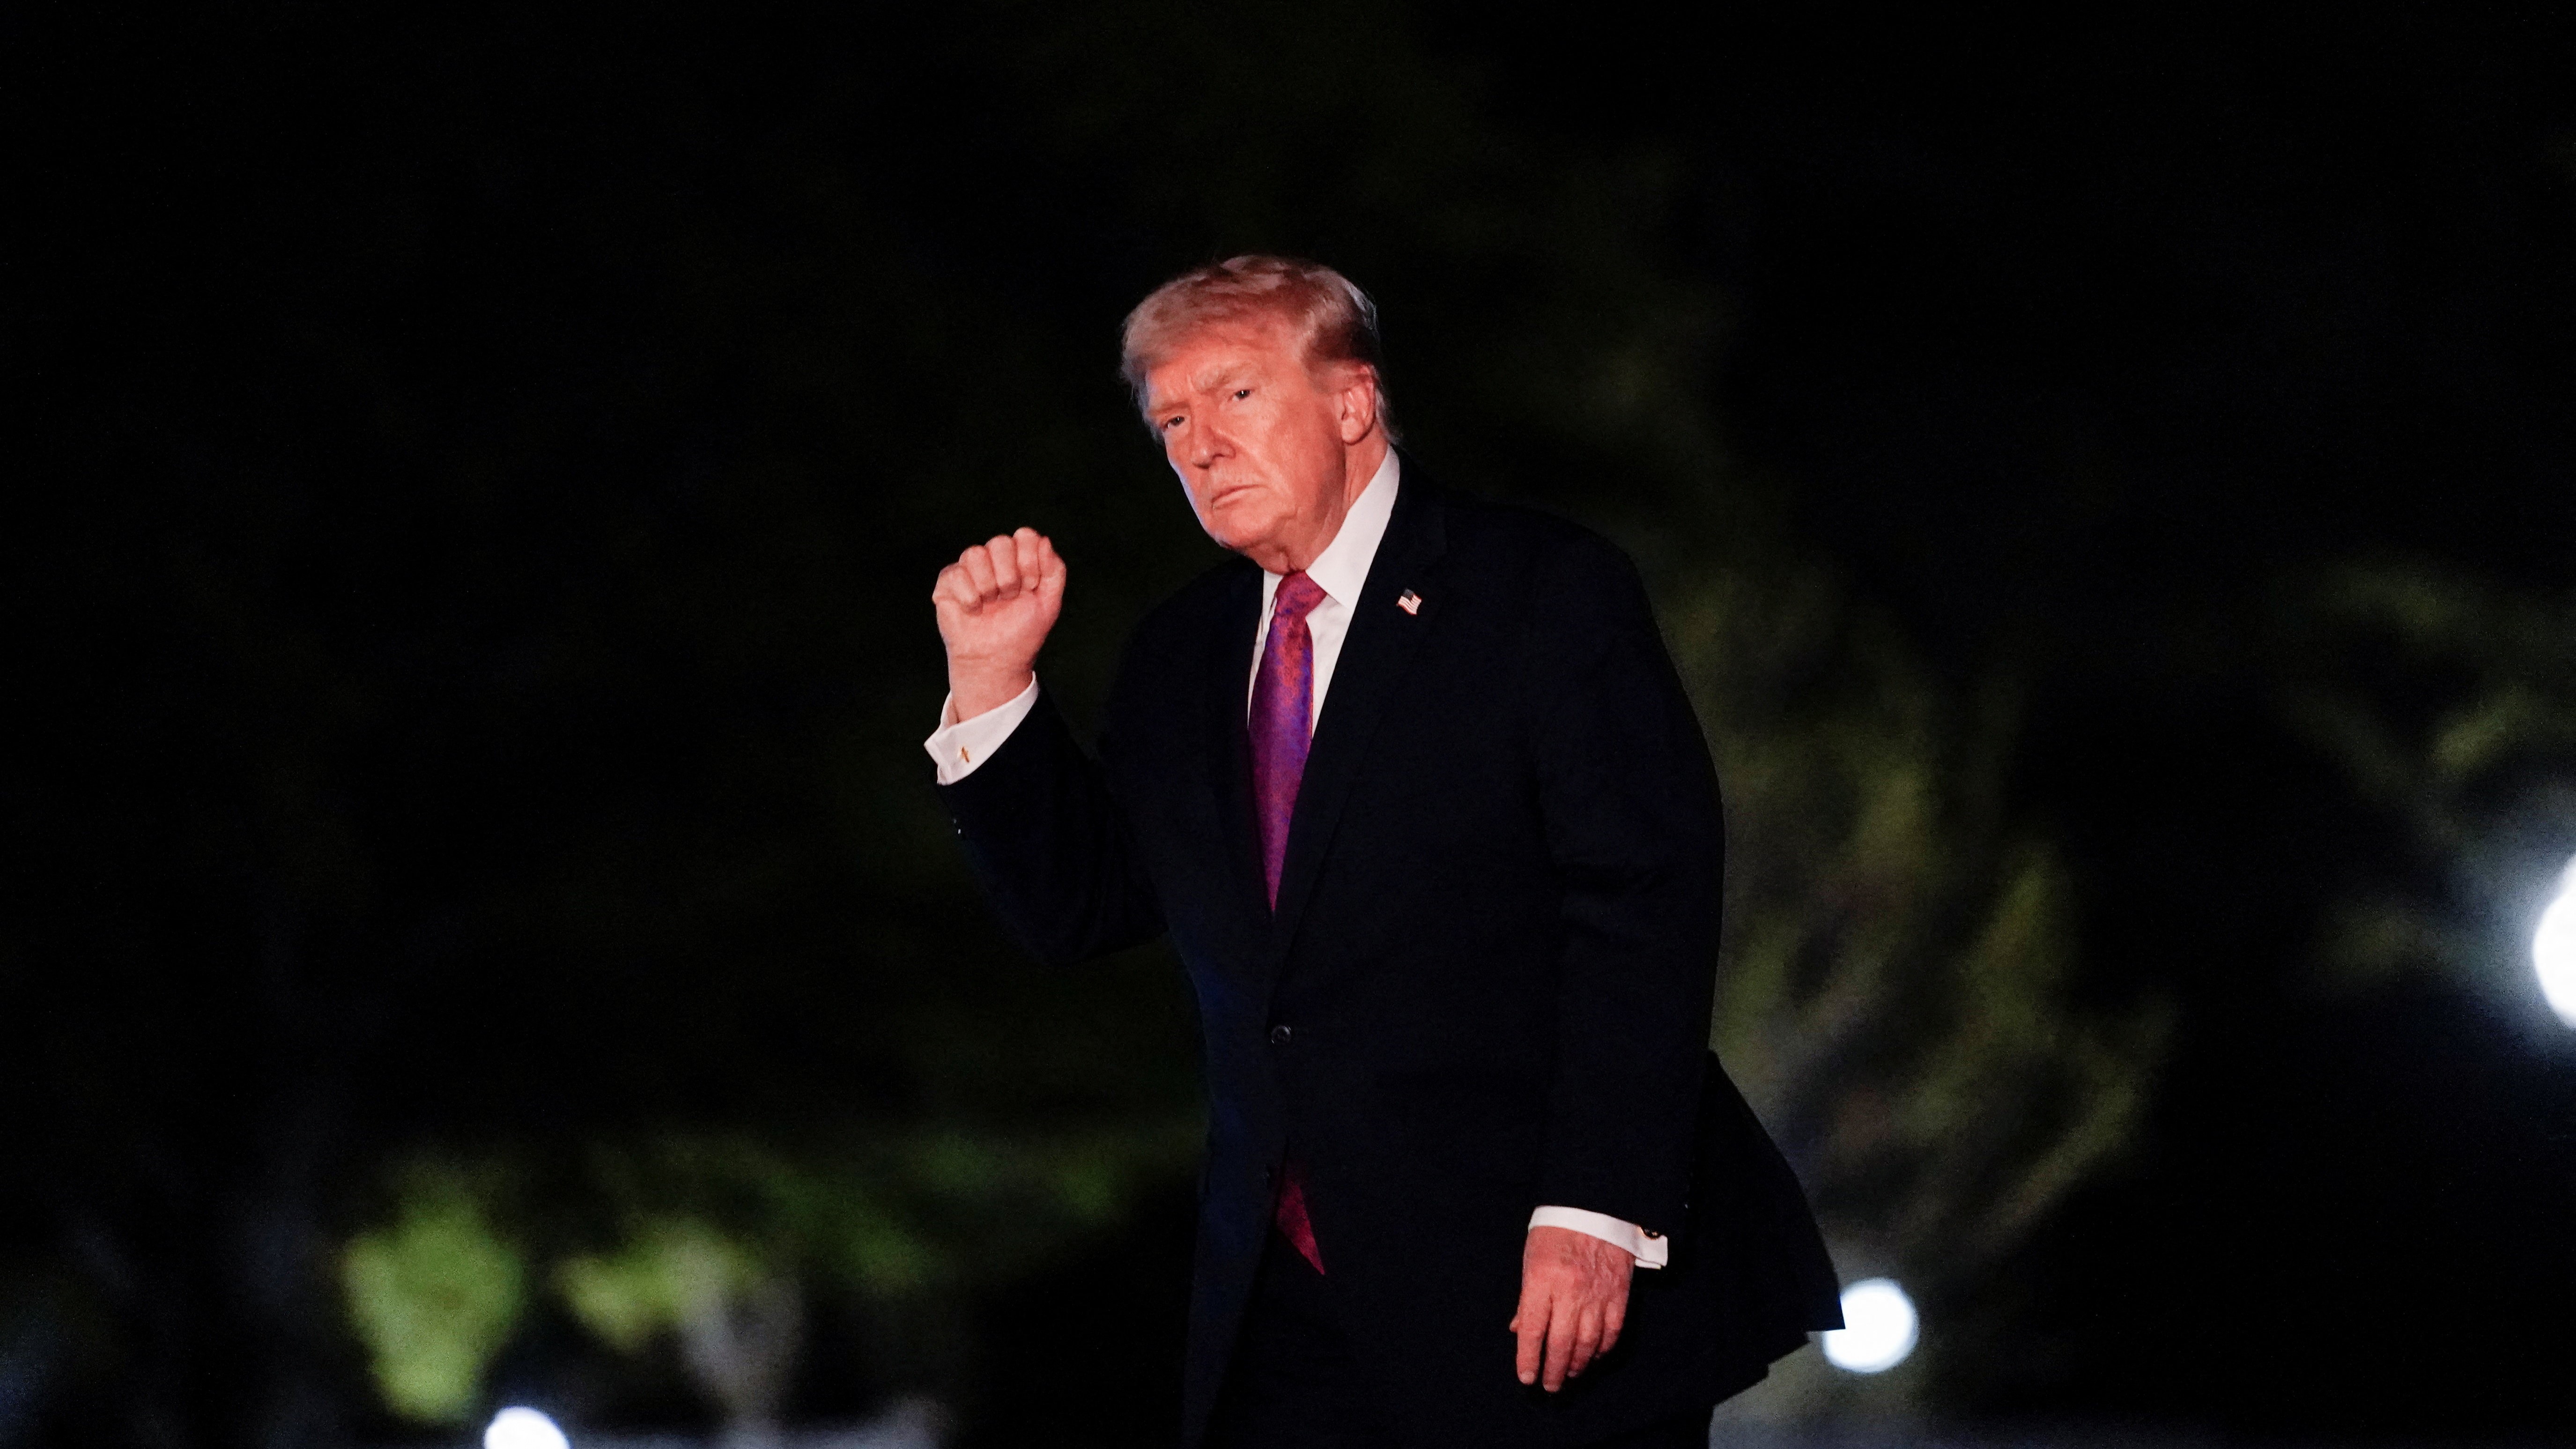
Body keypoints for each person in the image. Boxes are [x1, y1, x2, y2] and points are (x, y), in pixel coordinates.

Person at [926, 256, 1840, 1449]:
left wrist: (1595, 1207)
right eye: (1172, 422)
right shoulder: (1178, 654)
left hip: (1542, 1281)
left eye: (1235, 395)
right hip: (1284, 1301)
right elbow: (1081, 905)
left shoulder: (1538, 591)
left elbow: (1640, 905)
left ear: (1351, 401)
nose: (1201, 446)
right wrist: (989, 685)